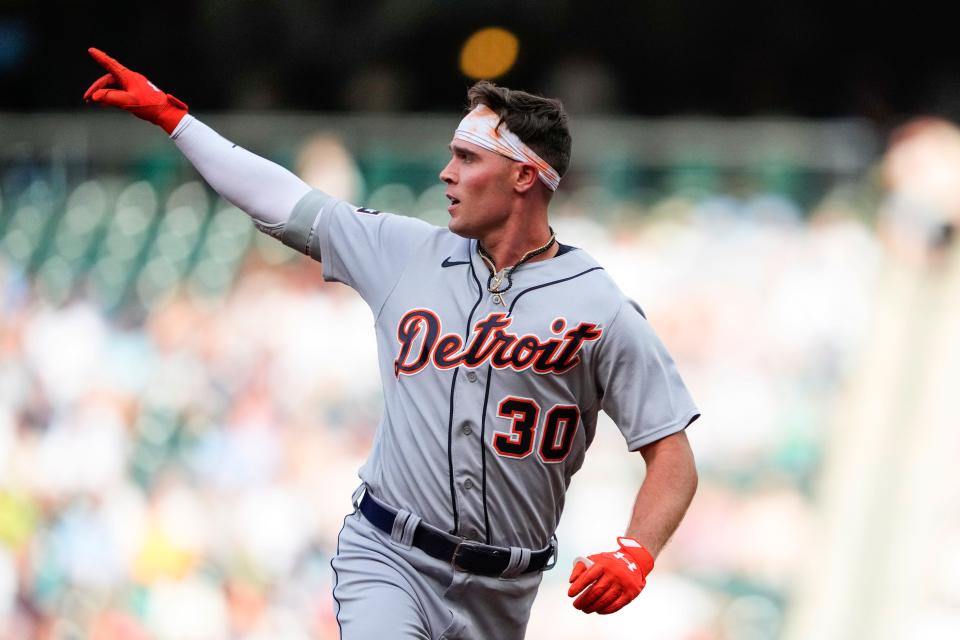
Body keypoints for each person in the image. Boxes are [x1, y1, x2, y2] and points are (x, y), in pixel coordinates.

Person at [83, 47, 700, 639]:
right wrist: (174, 119)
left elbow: (672, 454)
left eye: (466, 157)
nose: (446, 172)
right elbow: (281, 201)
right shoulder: (405, 254)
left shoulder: (599, 306)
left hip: (505, 592)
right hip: (389, 555)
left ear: (523, 176)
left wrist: (637, 551)